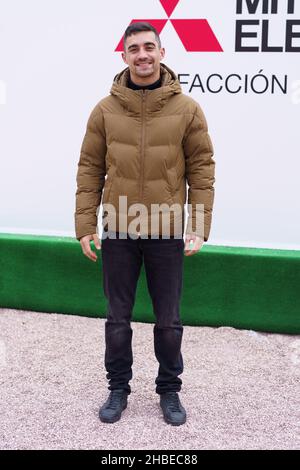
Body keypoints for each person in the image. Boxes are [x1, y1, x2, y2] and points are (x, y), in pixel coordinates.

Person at [74, 22, 215, 426]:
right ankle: (118, 388)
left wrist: (198, 224)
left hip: (166, 228)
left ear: (162, 52)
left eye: (149, 47)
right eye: (133, 49)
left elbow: (202, 169)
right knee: (117, 320)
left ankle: (169, 390)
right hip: (118, 228)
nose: (142, 55)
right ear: (124, 57)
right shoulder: (104, 109)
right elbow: (89, 169)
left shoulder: (187, 109)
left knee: (168, 321)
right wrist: (86, 224)